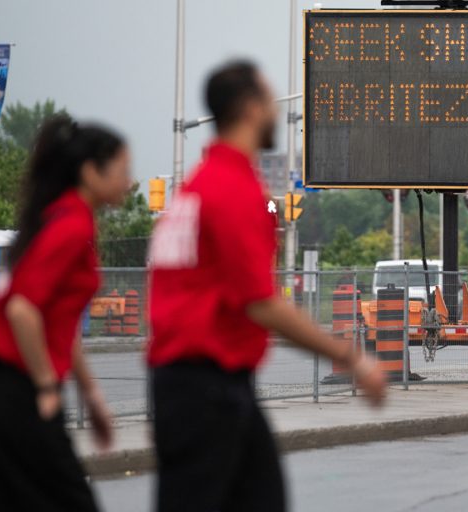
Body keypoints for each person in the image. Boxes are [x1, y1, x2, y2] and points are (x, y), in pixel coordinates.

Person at [147, 60, 387, 512]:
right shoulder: (234, 191)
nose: (277, 111)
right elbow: (260, 303)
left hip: (191, 383)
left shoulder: (193, 190)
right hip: (206, 390)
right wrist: (351, 357)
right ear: (252, 108)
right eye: (270, 99)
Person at [0, 116, 132, 511]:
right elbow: (23, 309)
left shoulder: (57, 216)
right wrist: (45, 385)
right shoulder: (71, 225)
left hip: (8, 392)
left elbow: (57, 318)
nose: (129, 181)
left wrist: (90, 393)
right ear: (91, 172)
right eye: (123, 170)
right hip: (22, 394)